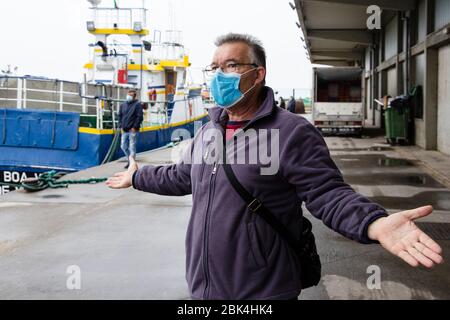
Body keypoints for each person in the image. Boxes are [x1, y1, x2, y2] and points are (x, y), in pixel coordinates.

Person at [107, 33, 443, 300]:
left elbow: (327, 193)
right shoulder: (210, 130)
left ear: (258, 74)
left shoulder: (292, 132)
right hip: (204, 285)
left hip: (262, 288)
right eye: (214, 68)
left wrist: (373, 222)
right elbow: (181, 176)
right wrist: (138, 176)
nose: (218, 76)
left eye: (231, 65)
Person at [118, 89, 143, 169]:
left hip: (133, 130)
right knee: (123, 146)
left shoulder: (137, 104)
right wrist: (120, 126)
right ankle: (130, 161)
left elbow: (139, 117)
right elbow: (120, 116)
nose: (129, 96)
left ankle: (131, 164)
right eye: (128, 95)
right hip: (124, 129)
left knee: (132, 147)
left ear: (134, 97)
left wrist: (135, 127)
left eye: (131, 95)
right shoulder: (123, 105)